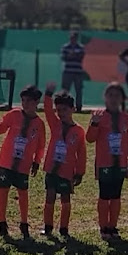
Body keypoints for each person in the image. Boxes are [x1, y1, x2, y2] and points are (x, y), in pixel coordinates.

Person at [86, 82, 128, 241]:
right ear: (105, 97)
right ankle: (103, 227)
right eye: (111, 95)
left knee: (116, 196)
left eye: (117, 96)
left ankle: (113, 226)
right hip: (104, 163)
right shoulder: (99, 115)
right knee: (104, 195)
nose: (114, 99)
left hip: (120, 164)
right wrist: (94, 123)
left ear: (122, 99)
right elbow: (90, 139)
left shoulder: (126, 119)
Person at [0, 85, 46, 239]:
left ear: (37, 102)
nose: (25, 103)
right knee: (3, 191)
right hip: (7, 162)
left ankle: (24, 223)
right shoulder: (14, 114)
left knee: (23, 193)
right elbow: (1, 128)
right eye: (23, 100)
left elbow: (40, 145)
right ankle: (2, 222)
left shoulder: (39, 124)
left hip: (23, 164)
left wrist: (36, 161)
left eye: (29, 101)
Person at [41, 82, 86, 238]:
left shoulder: (79, 131)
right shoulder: (55, 125)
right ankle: (47, 227)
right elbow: (47, 110)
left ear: (73, 109)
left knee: (65, 199)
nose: (61, 113)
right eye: (59, 110)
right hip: (52, 168)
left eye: (65, 110)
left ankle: (64, 228)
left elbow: (81, 154)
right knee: (50, 196)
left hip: (67, 172)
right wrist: (48, 94)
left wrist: (79, 172)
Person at [61, 31, 86, 113]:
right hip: (68, 71)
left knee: (78, 90)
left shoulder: (81, 47)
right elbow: (64, 57)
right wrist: (71, 55)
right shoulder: (65, 47)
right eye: (71, 37)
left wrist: (73, 55)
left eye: (74, 37)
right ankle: (64, 105)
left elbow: (81, 57)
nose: (73, 39)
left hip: (78, 72)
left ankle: (79, 107)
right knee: (65, 90)